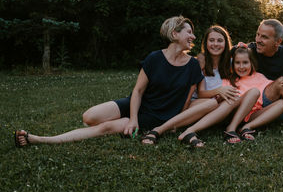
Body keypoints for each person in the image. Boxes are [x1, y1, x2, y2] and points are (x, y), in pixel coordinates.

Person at [14, 15, 210, 147]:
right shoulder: (154, 58)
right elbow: (138, 91)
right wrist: (132, 118)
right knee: (89, 117)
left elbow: (186, 99)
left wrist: (174, 122)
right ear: (175, 34)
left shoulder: (193, 65)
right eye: (189, 32)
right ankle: (116, 123)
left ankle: (40, 139)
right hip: (137, 104)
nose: (193, 36)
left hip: (156, 116)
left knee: (105, 128)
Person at [140, 25, 251, 147]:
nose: (215, 44)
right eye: (211, 40)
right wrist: (219, 91)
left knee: (229, 99)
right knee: (213, 102)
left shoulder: (231, 64)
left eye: (220, 40)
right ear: (206, 43)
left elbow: (248, 64)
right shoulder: (199, 62)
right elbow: (201, 93)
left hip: (220, 108)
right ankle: (160, 130)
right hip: (198, 104)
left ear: (226, 43)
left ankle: (189, 131)